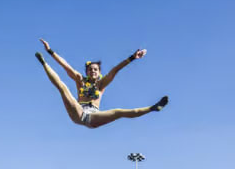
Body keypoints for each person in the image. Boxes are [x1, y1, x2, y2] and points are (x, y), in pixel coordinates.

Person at [35, 38, 169, 129]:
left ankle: (152, 108)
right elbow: (66, 66)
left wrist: (133, 57)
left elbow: (115, 69)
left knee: (119, 112)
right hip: (79, 112)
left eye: (95, 69)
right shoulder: (80, 79)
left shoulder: (101, 84)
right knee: (63, 88)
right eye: (90, 69)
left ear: (99, 72)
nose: (93, 71)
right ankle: (44, 64)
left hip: (94, 116)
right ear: (87, 71)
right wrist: (50, 51)